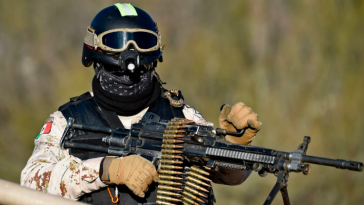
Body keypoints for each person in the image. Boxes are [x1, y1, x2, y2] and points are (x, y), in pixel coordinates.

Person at [21, 3, 262, 205]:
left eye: (142, 43)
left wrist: (233, 144)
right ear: (96, 53)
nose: (132, 56)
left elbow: (231, 176)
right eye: (117, 44)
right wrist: (108, 170)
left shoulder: (182, 115)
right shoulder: (68, 120)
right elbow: (31, 183)